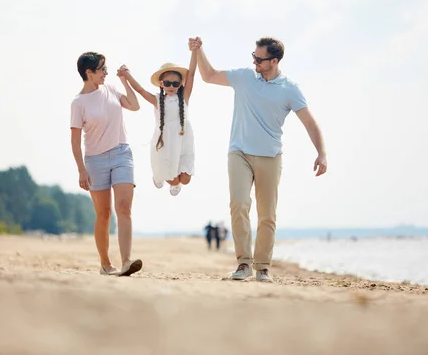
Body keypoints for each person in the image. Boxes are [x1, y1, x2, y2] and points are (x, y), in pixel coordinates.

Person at [189, 36, 327, 283]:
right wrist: (199, 51)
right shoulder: (244, 77)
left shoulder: (289, 89)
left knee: (267, 215)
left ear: (274, 61)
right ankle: (243, 264)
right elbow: (208, 76)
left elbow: (309, 122)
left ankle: (262, 267)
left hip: (270, 157)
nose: (254, 61)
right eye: (253, 56)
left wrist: (322, 153)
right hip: (239, 152)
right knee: (239, 204)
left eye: (259, 59)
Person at [70, 51, 143, 277]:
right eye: (102, 69)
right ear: (88, 73)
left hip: (121, 153)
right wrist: (81, 169)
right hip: (95, 161)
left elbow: (134, 105)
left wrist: (125, 81)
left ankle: (126, 261)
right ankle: (105, 263)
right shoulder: (78, 103)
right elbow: (74, 140)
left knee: (124, 207)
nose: (106, 73)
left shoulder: (110, 89)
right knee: (103, 214)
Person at [120, 50, 197, 196]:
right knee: (173, 180)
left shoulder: (184, 97)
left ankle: (172, 181)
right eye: (168, 83)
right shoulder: (157, 100)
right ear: (161, 84)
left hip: (183, 140)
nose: (171, 86)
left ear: (181, 84)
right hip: (165, 142)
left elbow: (192, 74)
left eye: (175, 83)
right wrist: (127, 75)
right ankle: (160, 177)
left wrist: (195, 51)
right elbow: (140, 90)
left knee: (185, 179)